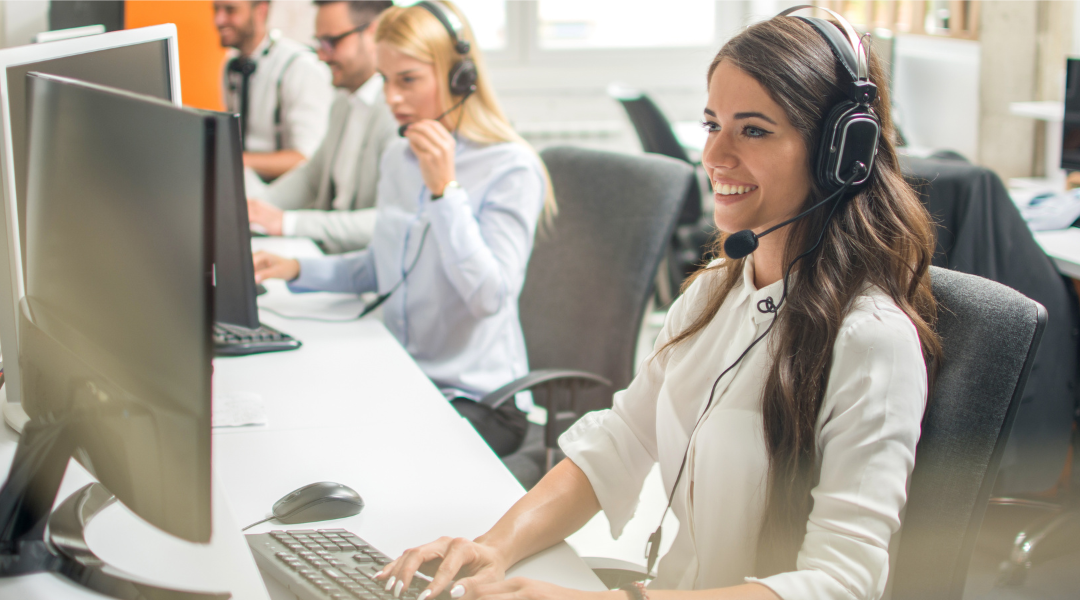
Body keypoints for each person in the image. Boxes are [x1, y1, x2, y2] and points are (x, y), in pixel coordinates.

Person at [372, 8, 942, 600]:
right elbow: (619, 443)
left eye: (753, 130)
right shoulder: (712, 293)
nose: (715, 156)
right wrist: (492, 546)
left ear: (839, 153)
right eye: (711, 124)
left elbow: (841, 582)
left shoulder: (871, 341)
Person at [252, 0, 555, 458]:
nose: (392, 98)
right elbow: (383, 266)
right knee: (295, 419)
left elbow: (489, 298)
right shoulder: (399, 156)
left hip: (478, 402)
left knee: (355, 455)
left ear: (460, 78)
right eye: (386, 80)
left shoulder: (510, 168)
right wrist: (297, 268)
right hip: (405, 376)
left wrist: (444, 192)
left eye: (408, 80)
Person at [247, 0, 397, 254]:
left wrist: (288, 223)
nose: (321, 55)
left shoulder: (398, 114)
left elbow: (387, 222)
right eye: (319, 43)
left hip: (363, 270)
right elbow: (311, 177)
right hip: (330, 257)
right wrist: (252, 210)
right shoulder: (343, 100)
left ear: (373, 32)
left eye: (331, 42)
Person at [214, 0, 334, 182]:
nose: (219, 20)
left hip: (285, 195)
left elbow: (306, 158)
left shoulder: (299, 67)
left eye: (230, 10)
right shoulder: (231, 65)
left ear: (261, 11)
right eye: (216, 10)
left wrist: (235, 161)